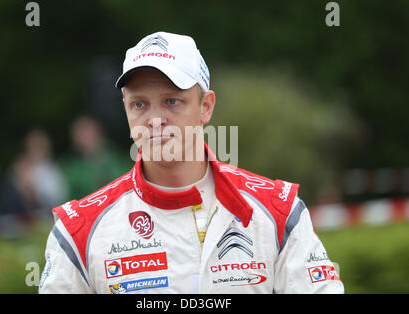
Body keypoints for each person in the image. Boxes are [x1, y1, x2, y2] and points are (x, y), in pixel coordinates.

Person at [39, 31, 344, 293]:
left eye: (172, 101)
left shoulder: (278, 213)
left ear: (205, 107)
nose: (155, 120)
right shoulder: (78, 230)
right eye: (139, 104)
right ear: (126, 110)